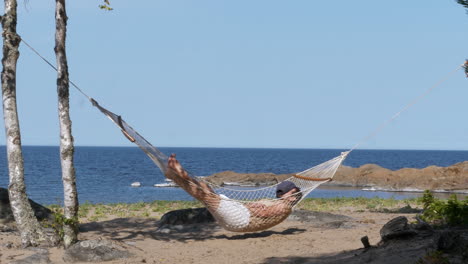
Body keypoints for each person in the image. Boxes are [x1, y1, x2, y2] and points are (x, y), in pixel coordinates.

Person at [165, 153, 302, 231]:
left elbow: (263, 213)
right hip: (240, 212)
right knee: (207, 191)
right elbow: (262, 210)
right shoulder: (277, 202)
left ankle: (178, 173)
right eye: (280, 191)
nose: (281, 194)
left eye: (286, 192)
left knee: (207, 195)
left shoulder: (284, 206)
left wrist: (252, 206)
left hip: (240, 218)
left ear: (293, 196)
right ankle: (175, 175)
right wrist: (254, 206)